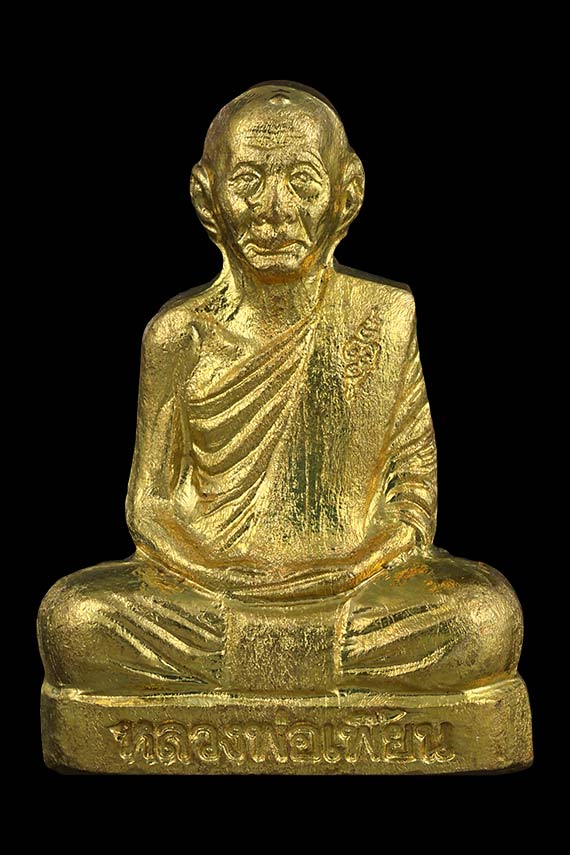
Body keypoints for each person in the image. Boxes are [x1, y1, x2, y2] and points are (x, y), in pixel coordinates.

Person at [38, 82, 523, 696]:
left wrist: (354, 565)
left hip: (353, 589)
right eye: (248, 181)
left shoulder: (384, 316)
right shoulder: (178, 335)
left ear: (347, 195)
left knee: (482, 616)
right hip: (210, 591)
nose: (275, 209)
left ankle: (256, 673)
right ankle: (298, 671)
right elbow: (151, 505)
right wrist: (221, 574)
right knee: (75, 619)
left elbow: (413, 493)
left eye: (302, 181)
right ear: (207, 197)